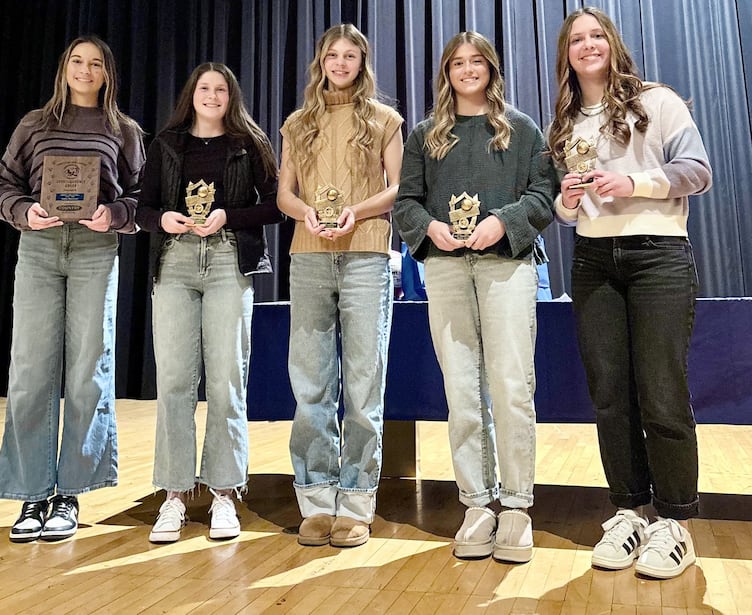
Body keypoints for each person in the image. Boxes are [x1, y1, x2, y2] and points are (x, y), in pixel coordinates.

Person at [547, 7, 712, 579]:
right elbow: (567, 215)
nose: (587, 45)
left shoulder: (657, 101)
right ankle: (629, 510)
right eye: (576, 40)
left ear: (612, 44)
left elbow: (697, 171)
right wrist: (568, 199)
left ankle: (675, 522)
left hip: (658, 255)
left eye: (596, 35)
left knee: (662, 392)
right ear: (566, 54)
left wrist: (635, 183)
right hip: (594, 260)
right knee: (610, 394)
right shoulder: (566, 121)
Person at [393, 31, 554, 563]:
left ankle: (517, 505)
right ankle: (476, 502)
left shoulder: (522, 130)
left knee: (510, 385)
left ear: (490, 68)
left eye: (476, 61)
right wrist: (432, 230)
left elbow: (542, 194)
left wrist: (501, 223)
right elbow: (406, 203)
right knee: (461, 390)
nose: (467, 70)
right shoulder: (425, 136)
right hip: (444, 270)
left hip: (506, 266)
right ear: (447, 72)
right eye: (457, 62)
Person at [0, 35, 145, 542]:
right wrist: (24, 212)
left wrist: (114, 215)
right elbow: (0, 188)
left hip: (95, 251)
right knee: (31, 368)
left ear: (106, 74)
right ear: (64, 69)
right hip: (38, 248)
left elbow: (145, 195)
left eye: (95, 63)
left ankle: (70, 494)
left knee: (86, 369)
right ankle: (31, 494)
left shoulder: (122, 129)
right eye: (77, 61)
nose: (85, 69)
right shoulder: (34, 124)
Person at [136, 63, 281, 543]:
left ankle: (224, 493)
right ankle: (174, 495)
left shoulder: (249, 143)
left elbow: (276, 204)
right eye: (205, 88)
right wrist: (167, 220)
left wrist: (228, 216)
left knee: (226, 379)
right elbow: (142, 209)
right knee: (175, 380)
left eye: (221, 89)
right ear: (191, 94)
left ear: (231, 96)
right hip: (174, 264)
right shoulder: (165, 144)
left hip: (227, 261)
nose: (213, 95)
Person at [277, 24, 403, 548]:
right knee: (310, 381)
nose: (342, 63)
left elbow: (398, 189)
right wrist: (308, 213)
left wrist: (354, 212)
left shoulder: (384, 120)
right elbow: (285, 194)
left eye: (351, 56)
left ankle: (355, 500)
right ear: (321, 62)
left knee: (364, 381)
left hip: (366, 255)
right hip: (308, 256)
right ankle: (315, 496)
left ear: (363, 62)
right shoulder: (297, 123)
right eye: (333, 55)